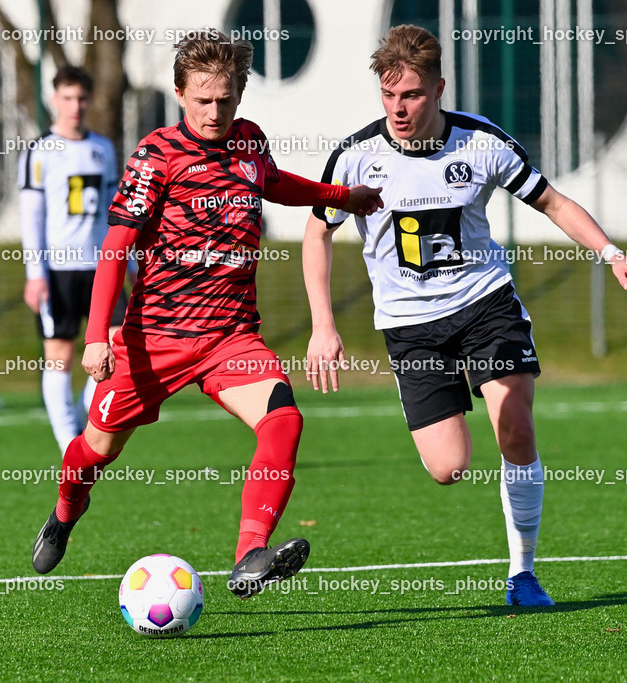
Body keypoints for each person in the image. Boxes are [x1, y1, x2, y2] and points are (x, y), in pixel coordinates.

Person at [303, 25, 627, 606]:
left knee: (514, 424)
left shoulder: (481, 143)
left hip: (484, 305)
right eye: (388, 96)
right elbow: (317, 234)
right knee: (448, 466)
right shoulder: (357, 157)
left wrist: (612, 254)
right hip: (410, 328)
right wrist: (322, 325)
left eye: (410, 95)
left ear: (438, 89)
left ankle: (523, 574)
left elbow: (555, 203)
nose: (398, 109)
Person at [31, 30, 384, 598]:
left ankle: (249, 555)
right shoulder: (156, 155)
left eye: (225, 99)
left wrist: (341, 196)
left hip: (231, 340)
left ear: (239, 95)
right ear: (179, 94)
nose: (215, 111)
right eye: (202, 99)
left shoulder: (248, 143)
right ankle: (66, 511)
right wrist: (97, 337)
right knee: (95, 450)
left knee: (284, 419)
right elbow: (116, 244)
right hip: (155, 338)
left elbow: (275, 184)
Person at [18, 65, 132, 454]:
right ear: (54, 100)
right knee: (60, 355)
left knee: (118, 345)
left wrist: (130, 263)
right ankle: (69, 443)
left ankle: (85, 419)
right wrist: (36, 274)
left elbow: (119, 214)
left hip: (103, 267)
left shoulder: (102, 148)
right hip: (59, 271)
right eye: (67, 98)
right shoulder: (39, 150)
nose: (75, 106)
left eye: (81, 98)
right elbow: (32, 216)